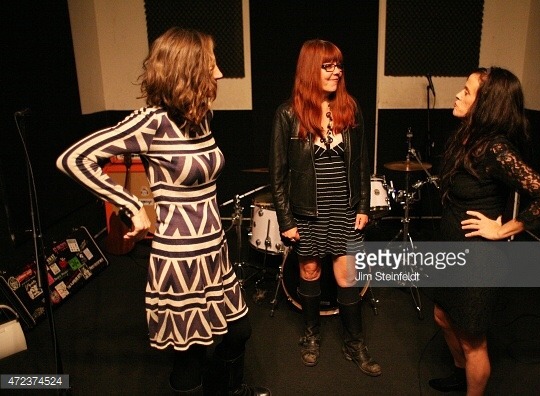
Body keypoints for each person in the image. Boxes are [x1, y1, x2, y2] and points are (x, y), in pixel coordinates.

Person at [57, 27, 270, 396]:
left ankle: (227, 389)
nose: (219, 74)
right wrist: (130, 205)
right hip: (180, 259)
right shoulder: (151, 123)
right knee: (190, 358)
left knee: (239, 331)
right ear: (186, 70)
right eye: (211, 65)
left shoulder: (202, 117)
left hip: (214, 252)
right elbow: (73, 158)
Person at [430, 67, 540, 395]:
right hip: (453, 252)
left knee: (472, 341)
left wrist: (504, 229)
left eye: (467, 91)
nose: (459, 94)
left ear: (486, 105)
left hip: (478, 261)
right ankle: (461, 375)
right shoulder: (467, 138)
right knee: (442, 317)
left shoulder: (496, 150)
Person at [269, 39, 381, 377]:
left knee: (348, 276)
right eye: (327, 66)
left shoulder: (351, 108)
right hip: (307, 211)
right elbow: (277, 175)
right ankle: (312, 335)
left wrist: (363, 204)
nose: (335, 72)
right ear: (309, 69)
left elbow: (361, 163)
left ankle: (355, 342)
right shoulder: (288, 114)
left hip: (344, 208)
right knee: (310, 273)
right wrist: (286, 218)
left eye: (339, 66)